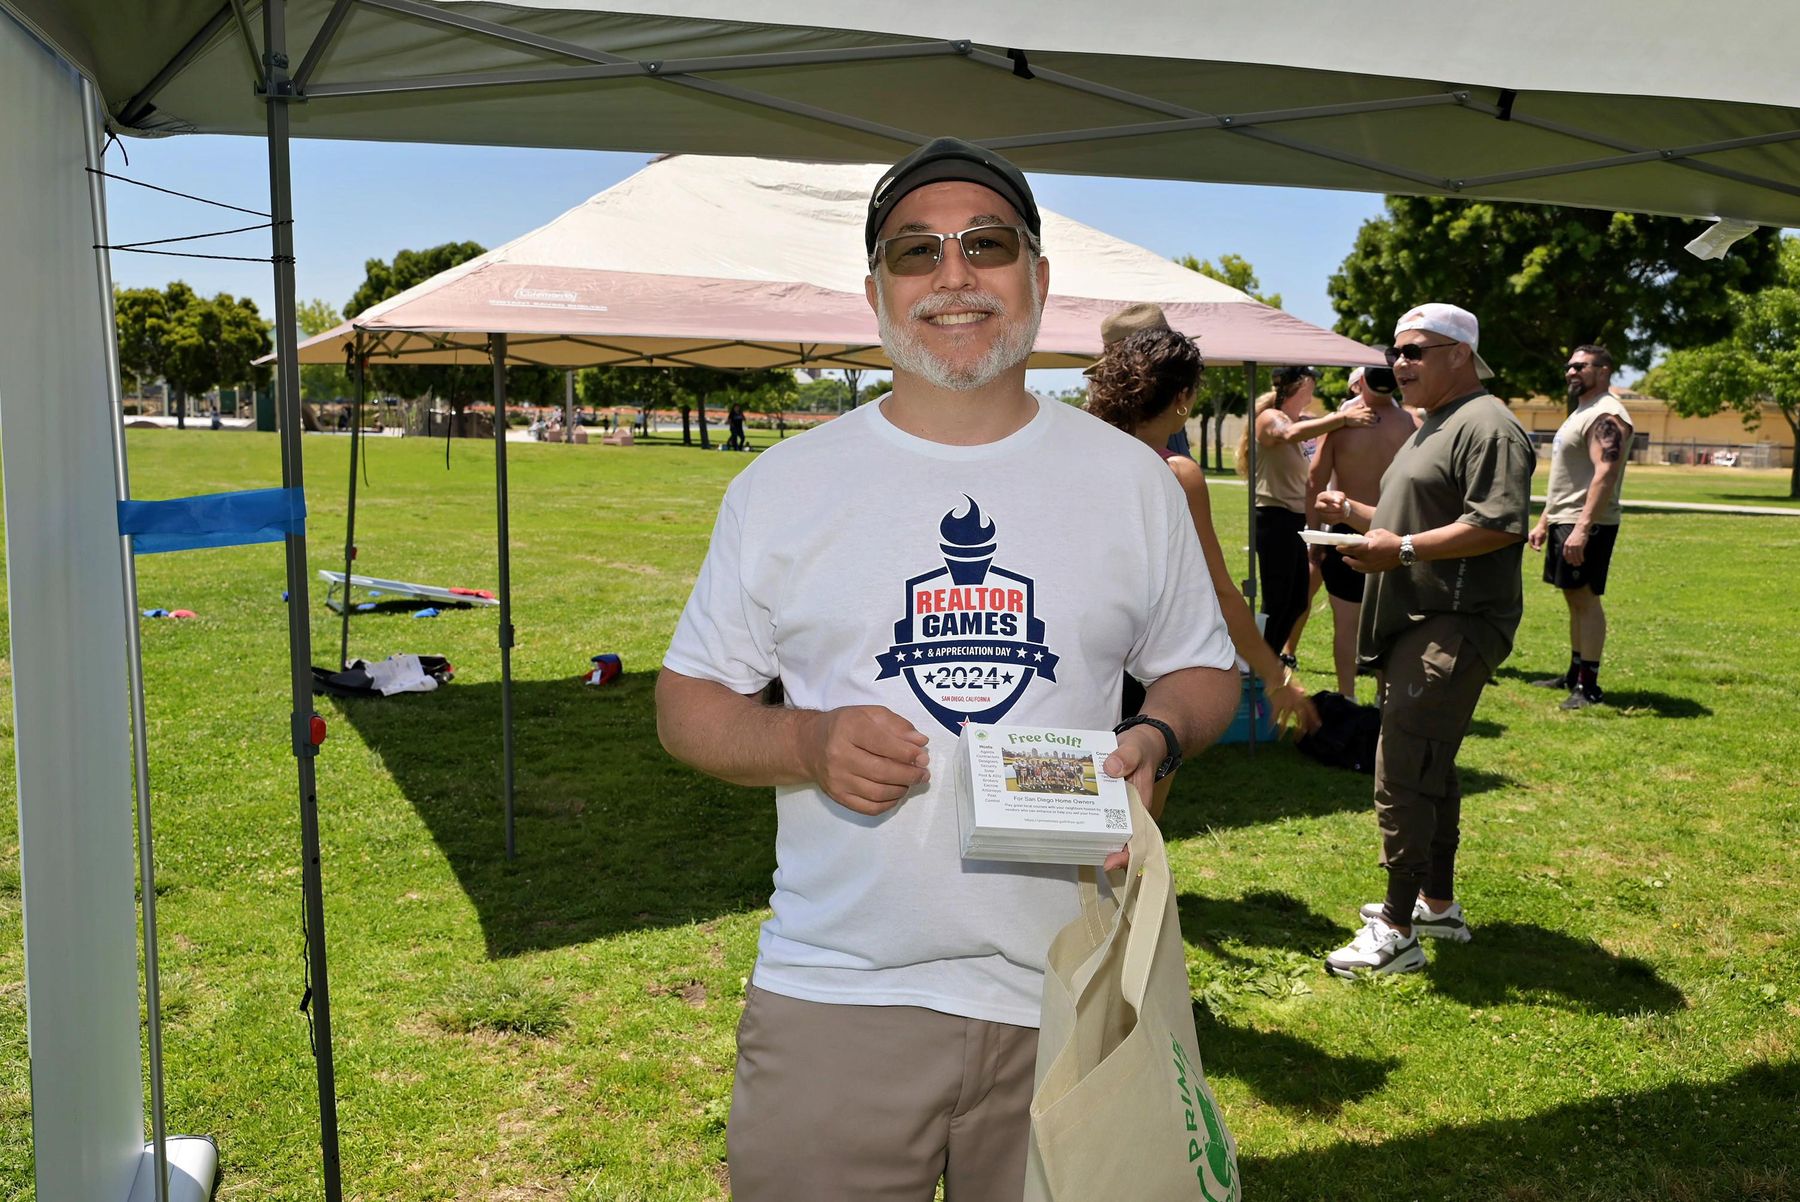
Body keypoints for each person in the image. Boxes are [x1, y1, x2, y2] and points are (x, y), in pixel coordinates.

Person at [655, 137, 1239, 1200]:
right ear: (876, 291)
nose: (954, 273)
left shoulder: (1130, 482)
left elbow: (1202, 671)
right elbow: (686, 701)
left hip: (1075, 989)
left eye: (988, 244)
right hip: (839, 995)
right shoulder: (783, 488)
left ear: (1038, 277)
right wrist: (805, 740)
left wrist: (1158, 738)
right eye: (916, 250)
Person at [1315, 303, 1533, 977]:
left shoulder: (1488, 424)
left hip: (1453, 623)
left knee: (1403, 770)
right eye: (1395, 352)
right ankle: (1436, 905)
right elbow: (1414, 517)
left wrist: (1402, 549)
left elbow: (1497, 523)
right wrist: (1356, 516)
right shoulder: (1433, 423)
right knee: (1429, 765)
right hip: (1417, 620)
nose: (1399, 364)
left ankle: (1397, 930)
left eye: (1414, 351)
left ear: (1460, 354)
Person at [1085, 322, 1321, 768]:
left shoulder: (1079, 453)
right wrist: (1276, 676)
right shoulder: (1176, 473)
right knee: (1139, 803)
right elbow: (1220, 592)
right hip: (1146, 667)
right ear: (1182, 397)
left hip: (1072, 662)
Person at [1239, 366, 1375, 661]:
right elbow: (1287, 434)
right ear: (1303, 385)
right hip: (1273, 518)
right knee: (1278, 600)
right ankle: (1258, 664)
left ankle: (1268, 660)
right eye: (1312, 384)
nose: (1314, 390)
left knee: (1297, 600)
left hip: (1294, 520)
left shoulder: (1301, 421)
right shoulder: (1270, 418)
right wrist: (1342, 418)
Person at [1304, 366, 1419, 699]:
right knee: (1389, 624)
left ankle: (1348, 696)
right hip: (1395, 530)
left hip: (1347, 531)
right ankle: (1385, 699)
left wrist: (1315, 534)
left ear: (1362, 382)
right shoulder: (1412, 425)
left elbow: (1314, 480)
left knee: (1346, 625)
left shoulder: (1341, 425)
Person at [1528, 344, 1632, 710]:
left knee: (1585, 598)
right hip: (1566, 518)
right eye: (1569, 366)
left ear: (1603, 371)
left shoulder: (1606, 414)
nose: (1571, 371)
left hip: (1586, 522)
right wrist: (1546, 520)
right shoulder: (1583, 411)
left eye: (1581, 366)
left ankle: (1589, 687)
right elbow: (1571, 476)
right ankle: (1574, 674)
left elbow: (1605, 472)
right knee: (1574, 598)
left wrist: (1583, 528)